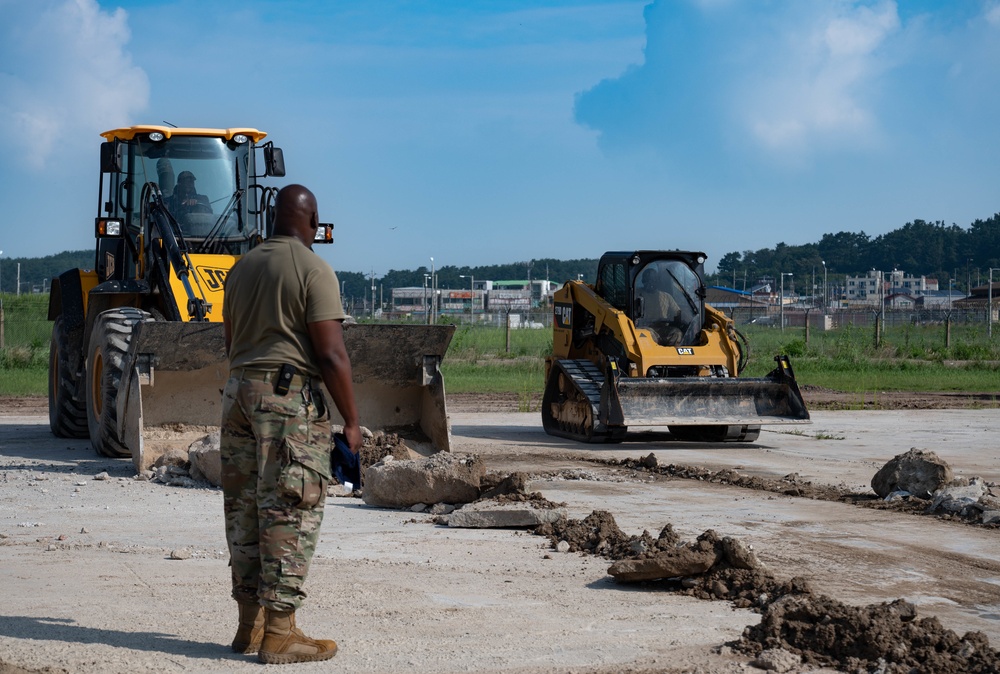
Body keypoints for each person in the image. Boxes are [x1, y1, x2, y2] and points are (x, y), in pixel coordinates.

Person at [220, 184, 361, 664]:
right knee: (289, 508)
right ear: (314, 220)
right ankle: (279, 633)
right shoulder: (314, 269)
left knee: (244, 511)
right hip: (285, 400)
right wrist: (352, 421)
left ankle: (248, 626)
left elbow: (231, 341)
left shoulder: (240, 268)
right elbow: (329, 352)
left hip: (237, 394)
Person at [637, 267, 683, 345]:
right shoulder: (637, 294)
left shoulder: (666, 296)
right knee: (650, 334)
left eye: (653, 280)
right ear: (643, 281)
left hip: (662, 328)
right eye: (648, 280)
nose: (651, 283)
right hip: (645, 327)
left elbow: (677, 312)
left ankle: (672, 354)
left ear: (657, 281)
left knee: (677, 333)